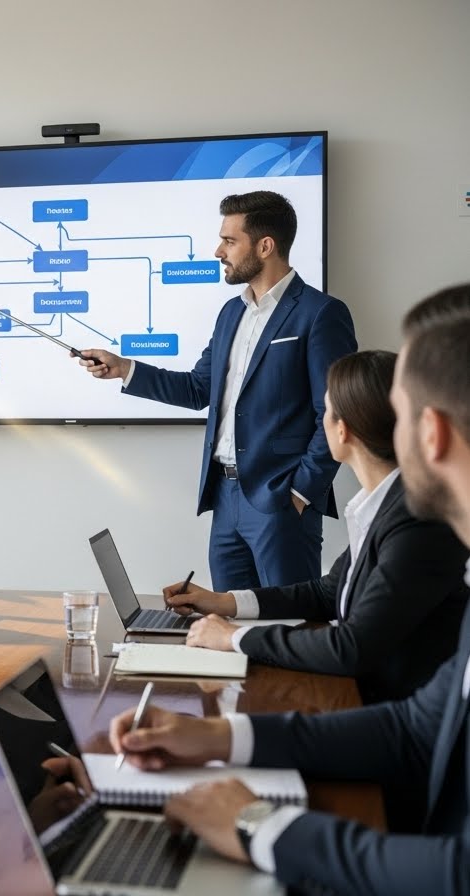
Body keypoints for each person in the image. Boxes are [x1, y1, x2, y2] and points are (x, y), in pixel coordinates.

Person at [105, 285, 470, 894]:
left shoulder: (413, 521)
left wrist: (257, 825)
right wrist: (219, 736)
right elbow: (414, 728)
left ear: (428, 433)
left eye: (398, 414)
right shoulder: (404, 527)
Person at [79, 192, 357, 591]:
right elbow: (198, 389)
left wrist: (300, 493)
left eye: (229, 241)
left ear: (265, 246)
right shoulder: (231, 312)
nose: (217, 251)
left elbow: (336, 413)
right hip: (224, 499)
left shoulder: (321, 313)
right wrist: (124, 368)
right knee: (227, 626)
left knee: (288, 627)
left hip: (280, 500)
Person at [164, 350, 468, 706]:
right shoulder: (384, 504)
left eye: (324, 411)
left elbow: (352, 647)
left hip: (391, 717)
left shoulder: (417, 520)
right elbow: (326, 593)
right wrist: (224, 602)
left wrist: (234, 638)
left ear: (342, 429)